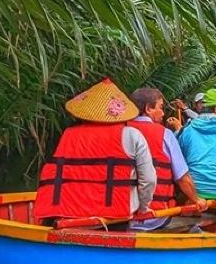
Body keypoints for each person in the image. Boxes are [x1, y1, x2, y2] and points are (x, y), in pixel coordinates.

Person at [34, 78, 156, 223]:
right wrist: (143, 208)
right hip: (113, 218)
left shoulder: (68, 134)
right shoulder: (132, 135)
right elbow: (148, 179)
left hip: (65, 214)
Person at [127, 87, 209, 231]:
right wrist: (197, 200)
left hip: (121, 216)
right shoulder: (164, 134)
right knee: (201, 223)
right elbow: (183, 178)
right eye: (160, 107)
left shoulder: (120, 131)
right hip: (155, 217)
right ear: (148, 108)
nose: (163, 113)